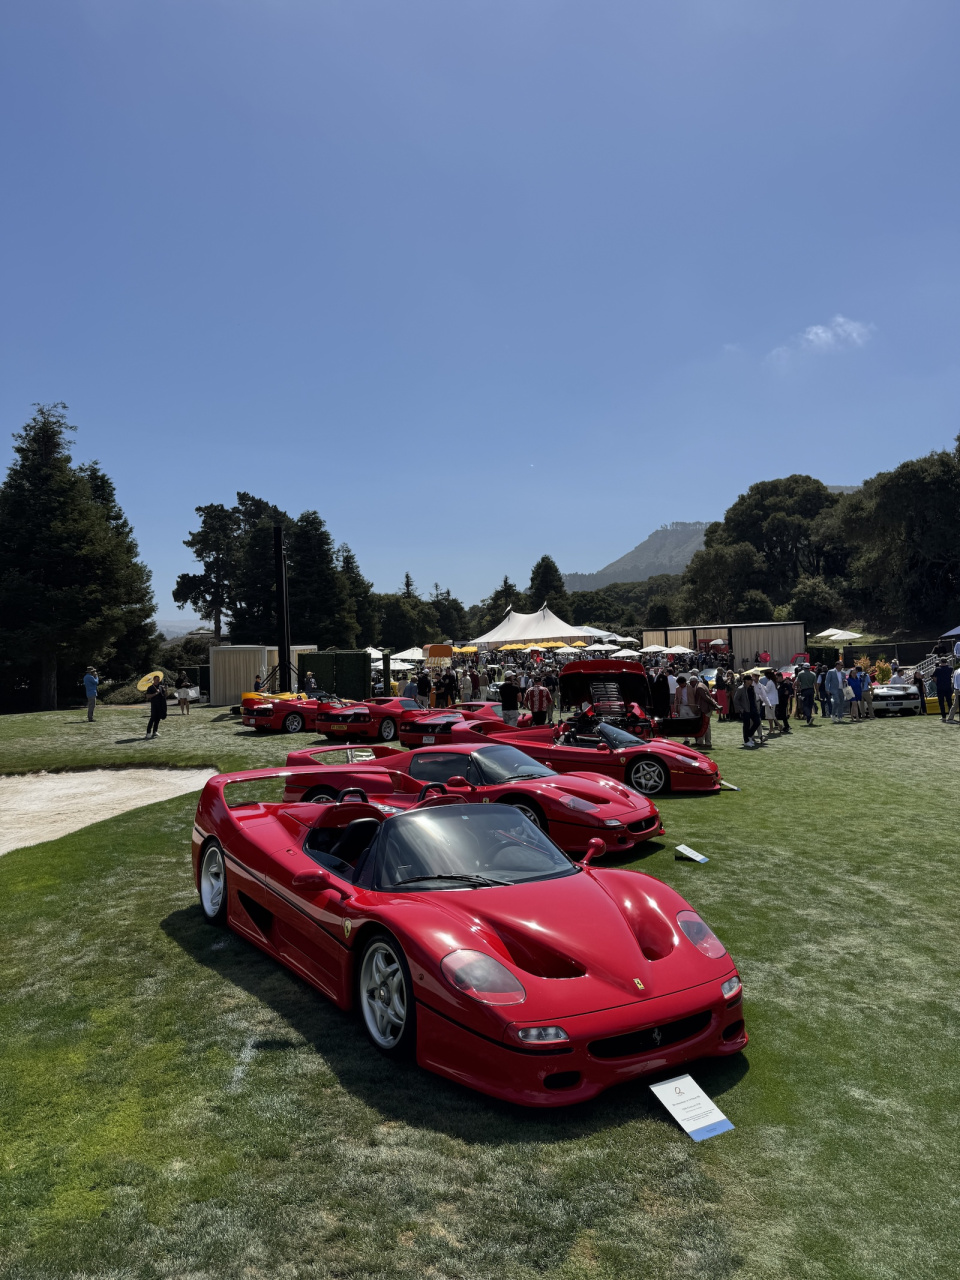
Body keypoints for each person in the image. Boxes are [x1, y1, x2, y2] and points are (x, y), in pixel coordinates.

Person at [687, 675, 721, 749]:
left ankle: (708, 743)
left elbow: (707, 698)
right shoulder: (701, 685)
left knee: (706, 726)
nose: (690, 684)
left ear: (694, 681)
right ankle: (700, 742)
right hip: (705, 708)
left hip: (705, 709)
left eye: (691, 683)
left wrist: (715, 705)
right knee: (704, 725)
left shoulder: (699, 687)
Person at [733, 674, 763, 748]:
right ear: (746, 681)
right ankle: (746, 741)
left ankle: (749, 735)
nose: (751, 681)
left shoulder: (751, 688)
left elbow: (753, 698)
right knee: (746, 725)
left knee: (757, 722)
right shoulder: (741, 689)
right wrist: (741, 709)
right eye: (750, 680)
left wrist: (756, 707)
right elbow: (735, 700)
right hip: (745, 710)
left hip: (753, 709)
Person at [673, 676, 698, 745]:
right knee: (684, 723)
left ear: (684, 682)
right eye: (678, 684)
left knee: (693, 723)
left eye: (680, 684)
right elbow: (676, 698)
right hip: (682, 707)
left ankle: (697, 738)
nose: (679, 685)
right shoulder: (677, 688)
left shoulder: (691, 687)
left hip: (691, 707)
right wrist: (676, 708)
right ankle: (686, 739)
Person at [145, 674, 167, 739]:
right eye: (156, 680)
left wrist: (165, 690)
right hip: (154, 705)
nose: (157, 681)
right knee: (152, 718)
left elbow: (165, 695)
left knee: (158, 718)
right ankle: (148, 732)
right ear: (154, 680)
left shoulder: (160, 687)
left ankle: (155, 731)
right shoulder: (151, 687)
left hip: (160, 704)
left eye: (158, 680)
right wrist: (155, 693)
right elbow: (147, 696)